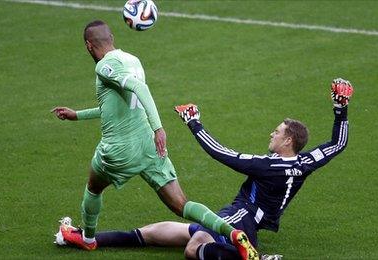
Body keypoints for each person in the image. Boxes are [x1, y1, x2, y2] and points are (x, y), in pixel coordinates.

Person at [58, 78, 353, 260]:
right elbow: (338, 143)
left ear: (288, 140)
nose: (271, 134)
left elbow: (223, 154)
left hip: (240, 215)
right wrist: (341, 108)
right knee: (155, 233)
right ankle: (88, 238)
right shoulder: (304, 163)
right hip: (254, 218)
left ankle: (250, 255)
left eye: (277, 132)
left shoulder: (268, 166)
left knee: (193, 248)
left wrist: (193, 122)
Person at [51, 20, 258, 260]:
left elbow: (140, 89)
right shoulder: (133, 60)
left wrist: (159, 127)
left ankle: (87, 239)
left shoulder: (104, 67)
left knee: (93, 187)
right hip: (150, 147)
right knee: (182, 204)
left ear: (89, 46)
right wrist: (77, 115)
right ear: (112, 38)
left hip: (120, 150)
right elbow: (119, 106)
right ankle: (233, 234)